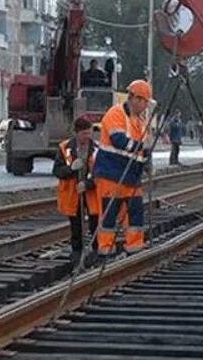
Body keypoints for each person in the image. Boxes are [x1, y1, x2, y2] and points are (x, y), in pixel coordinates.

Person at [95, 79, 153, 257]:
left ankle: (134, 247)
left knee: (135, 213)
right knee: (110, 214)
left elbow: (143, 147)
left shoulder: (139, 120)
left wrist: (147, 162)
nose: (145, 107)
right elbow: (118, 140)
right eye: (144, 102)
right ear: (135, 99)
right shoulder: (115, 113)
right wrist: (142, 148)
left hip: (131, 175)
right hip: (111, 173)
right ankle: (106, 250)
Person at [54, 115, 101, 266]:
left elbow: (101, 173)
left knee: (95, 224)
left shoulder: (97, 149)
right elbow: (57, 171)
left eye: (89, 133)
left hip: (92, 194)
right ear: (77, 133)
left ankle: (96, 252)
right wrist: (71, 169)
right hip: (72, 195)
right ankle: (77, 254)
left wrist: (87, 184)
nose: (88, 136)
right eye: (84, 133)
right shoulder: (64, 148)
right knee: (76, 226)